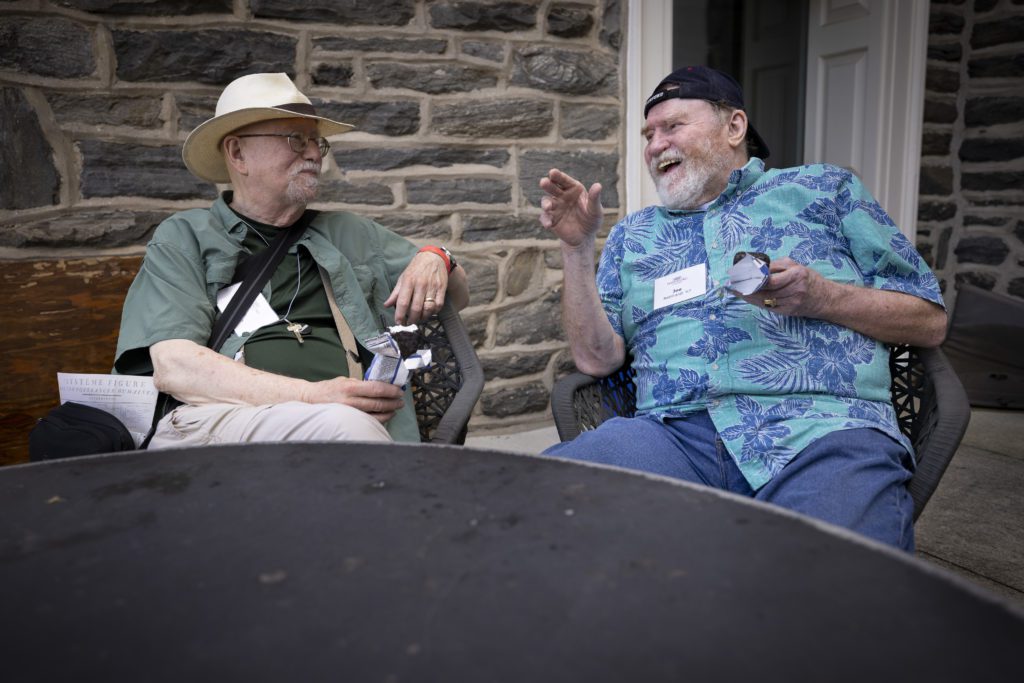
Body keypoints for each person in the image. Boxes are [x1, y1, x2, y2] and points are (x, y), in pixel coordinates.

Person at [538, 66, 946, 551]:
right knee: (542, 506)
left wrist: (823, 297)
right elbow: (595, 360)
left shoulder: (824, 190)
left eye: (673, 126)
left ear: (734, 127)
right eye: (649, 134)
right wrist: (578, 250)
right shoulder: (634, 235)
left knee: (843, 577)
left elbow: (929, 320)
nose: (654, 144)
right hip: (669, 436)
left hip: (822, 431)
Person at [113, 73, 468, 448]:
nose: (313, 153)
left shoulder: (350, 233)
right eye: (296, 139)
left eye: (317, 141)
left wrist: (437, 257)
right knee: (349, 433)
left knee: (351, 434)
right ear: (237, 153)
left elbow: (456, 298)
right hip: (220, 420)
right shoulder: (185, 236)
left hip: (353, 423)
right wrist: (314, 397)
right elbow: (175, 367)